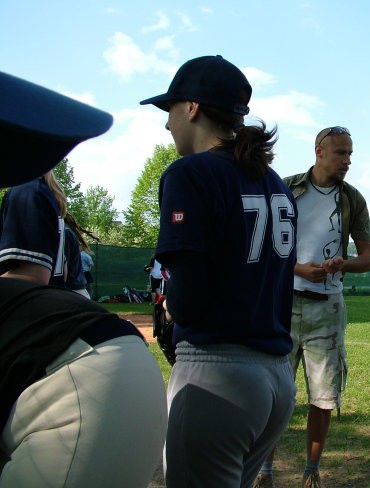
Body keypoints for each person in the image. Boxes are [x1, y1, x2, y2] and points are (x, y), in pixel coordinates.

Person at [0, 71, 168, 487]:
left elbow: (26, 279)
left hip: (60, 363)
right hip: (85, 347)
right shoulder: (46, 197)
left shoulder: (26, 193)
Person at [140, 54, 298, 488]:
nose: (167, 123)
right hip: (276, 378)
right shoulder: (274, 180)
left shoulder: (188, 173)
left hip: (218, 374)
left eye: (170, 109)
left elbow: (187, 302)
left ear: (191, 107)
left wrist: (172, 304)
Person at [255, 127, 370, 488]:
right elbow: (261, 247)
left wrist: (343, 264)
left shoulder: (353, 199)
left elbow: (367, 259)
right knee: (273, 395)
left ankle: (311, 471)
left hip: (328, 309)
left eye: (350, 154)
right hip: (283, 306)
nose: (347, 161)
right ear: (319, 151)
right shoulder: (284, 188)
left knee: (323, 397)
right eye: (340, 153)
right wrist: (296, 268)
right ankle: (265, 471)